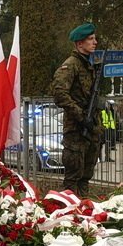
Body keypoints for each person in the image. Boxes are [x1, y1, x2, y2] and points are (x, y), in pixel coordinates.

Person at [52, 22, 104, 197]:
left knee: (85, 176)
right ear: (79, 43)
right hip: (76, 130)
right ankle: (69, 215)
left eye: (94, 38)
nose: (95, 42)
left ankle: (84, 212)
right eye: (90, 39)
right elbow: (59, 93)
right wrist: (81, 116)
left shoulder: (89, 66)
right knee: (73, 178)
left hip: (91, 129)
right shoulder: (71, 65)